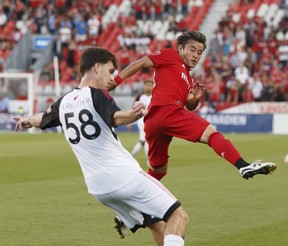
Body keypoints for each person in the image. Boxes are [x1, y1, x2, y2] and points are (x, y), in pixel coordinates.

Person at [14, 47, 216, 246]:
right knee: (178, 215)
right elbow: (116, 118)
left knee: (154, 222)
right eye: (110, 71)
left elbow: (42, 118)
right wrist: (132, 114)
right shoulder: (97, 95)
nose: (112, 78)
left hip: (99, 189)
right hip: (123, 175)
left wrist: (27, 121)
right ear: (97, 67)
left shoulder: (64, 102)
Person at [109, 30, 277, 181]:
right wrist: (117, 80)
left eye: (199, 52)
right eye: (192, 49)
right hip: (168, 112)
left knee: (158, 171)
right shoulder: (170, 56)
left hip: (154, 122)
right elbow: (140, 63)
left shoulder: (188, 78)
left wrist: (195, 98)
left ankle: (130, 208)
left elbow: (189, 106)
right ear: (180, 49)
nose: (196, 55)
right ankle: (243, 165)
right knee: (211, 133)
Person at [130, 79, 153, 164]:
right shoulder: (140, 97)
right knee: (147, 140)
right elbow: (133, 109)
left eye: (150, 85)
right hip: (142, 121)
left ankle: (131, 156)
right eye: (147, 85)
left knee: (143, 141)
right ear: (144, 87)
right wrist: (130, 122)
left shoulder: (154, 96)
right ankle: (149, 160)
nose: (148, 87)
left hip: (152, 121)